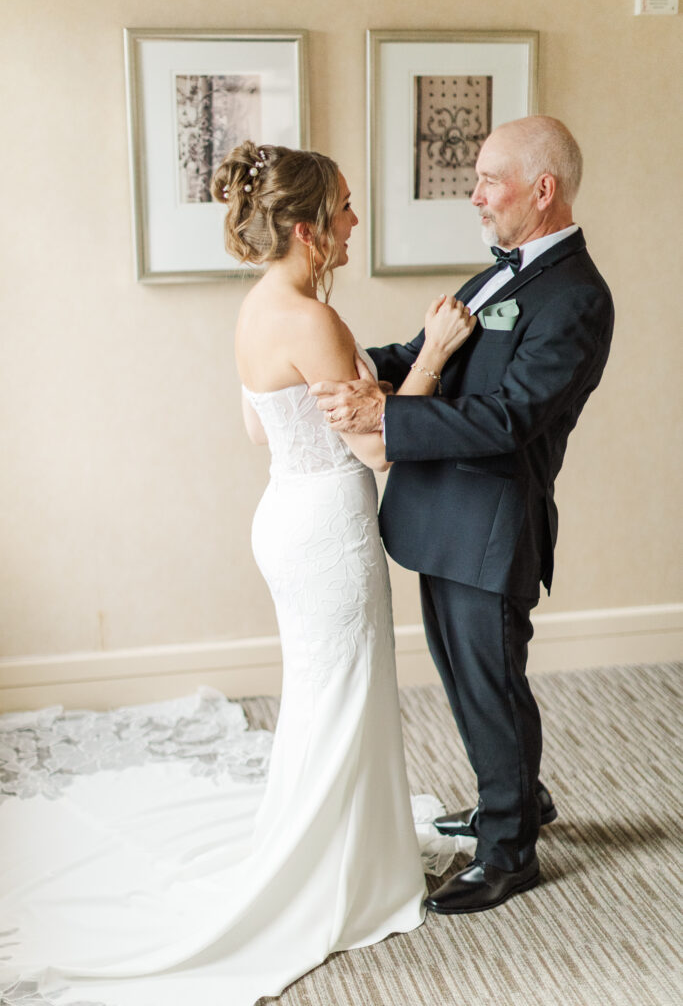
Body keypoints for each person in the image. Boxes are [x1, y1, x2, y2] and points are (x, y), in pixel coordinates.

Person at [0, 144, 476, 1006]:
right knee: (345, 692)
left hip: (283, 516)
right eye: (342, 211)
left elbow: (263, 431)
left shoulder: (259, 307)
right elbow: (375, 447)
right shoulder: (313, 320)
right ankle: (333, 873)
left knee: (324, 694)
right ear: (305, 227)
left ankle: (339, 850)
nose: (353, 225)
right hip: (327, 523)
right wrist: (435, 350)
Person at [312, 116, 614, 915]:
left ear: (541, 190)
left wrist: (385, 419)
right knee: (460, 676)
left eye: (489, 180)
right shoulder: (494, 277)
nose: (473, 195)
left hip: (490, 525)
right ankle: (512, 796)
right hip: (439, 512)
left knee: (490, 685)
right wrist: (347, 368)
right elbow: (422, 352)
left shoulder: (577, 297)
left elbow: (511, 416)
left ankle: (510, 849)